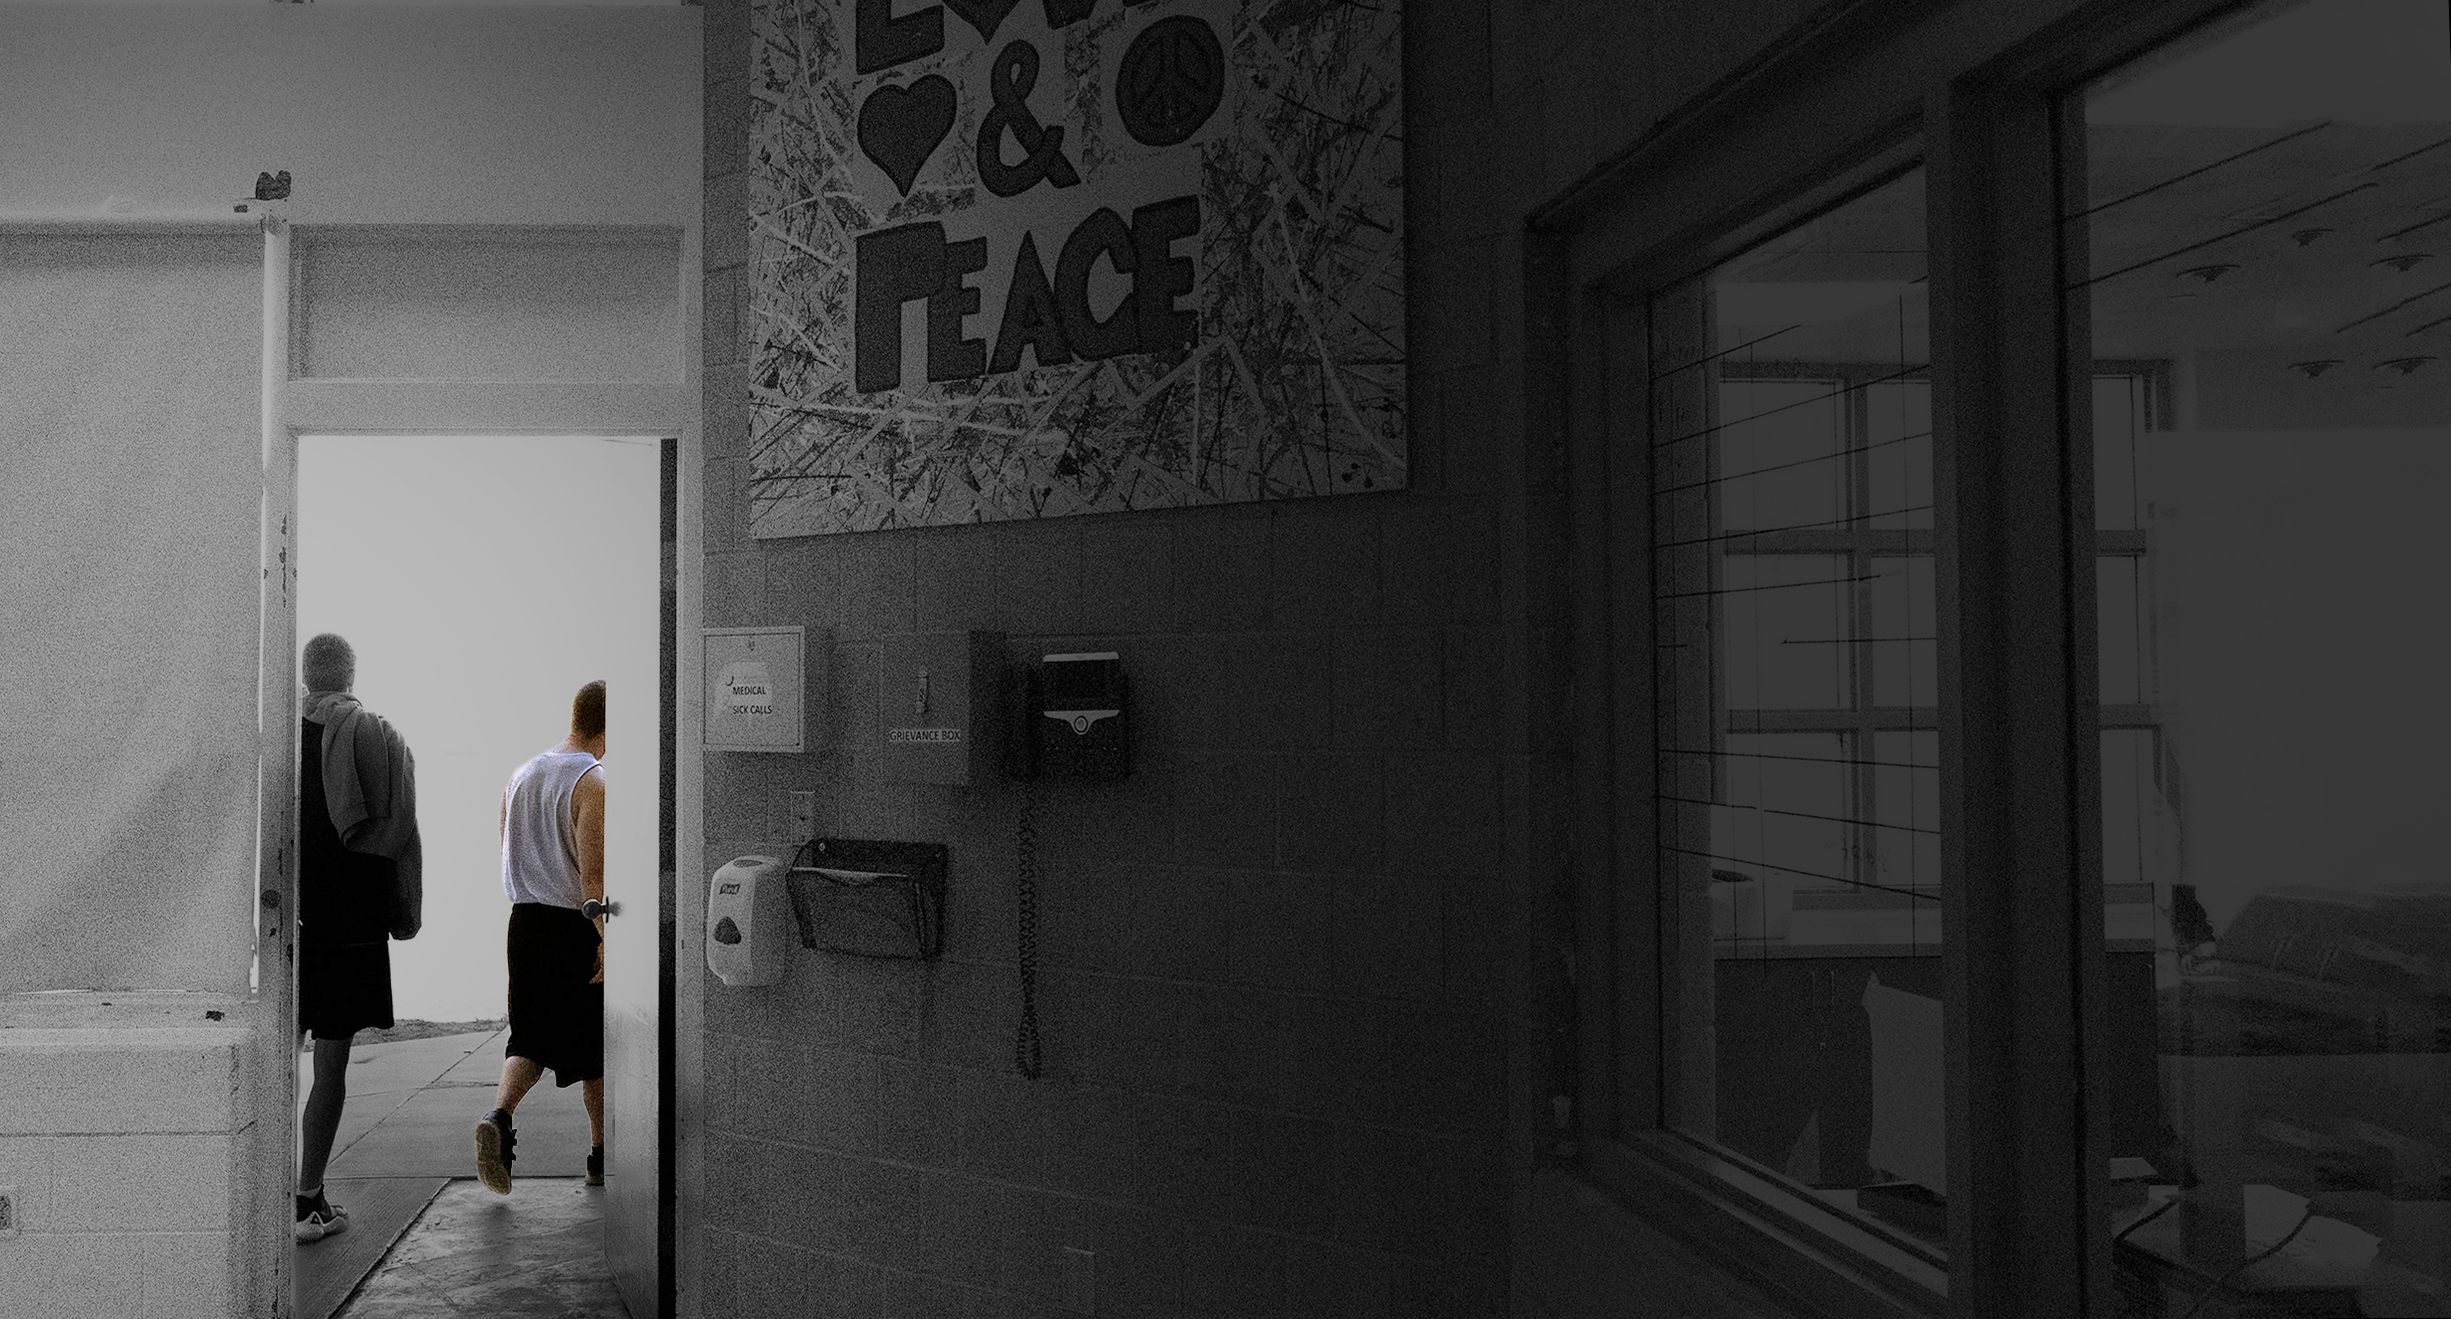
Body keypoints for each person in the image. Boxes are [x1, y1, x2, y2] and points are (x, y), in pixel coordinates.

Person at [295, 633, 424, 1243]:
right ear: (349, 674)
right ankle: (308, 1199)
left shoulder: (281, 741)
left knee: (279, 1057)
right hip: (349, 924)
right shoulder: (375, 736)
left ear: (304, 676)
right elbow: (398, 835)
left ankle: (274, 1193)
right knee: (330, 1066)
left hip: (286, 921)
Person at [476, 679, 607, 1194]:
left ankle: (499, 1116)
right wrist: (604, 937)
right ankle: (601, 1155)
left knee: (528, 1036)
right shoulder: (592, 781)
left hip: (523, 923)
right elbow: (592, 880)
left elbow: (505, 847)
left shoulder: (521, 774)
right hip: (570, 926)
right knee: (595, 1045)